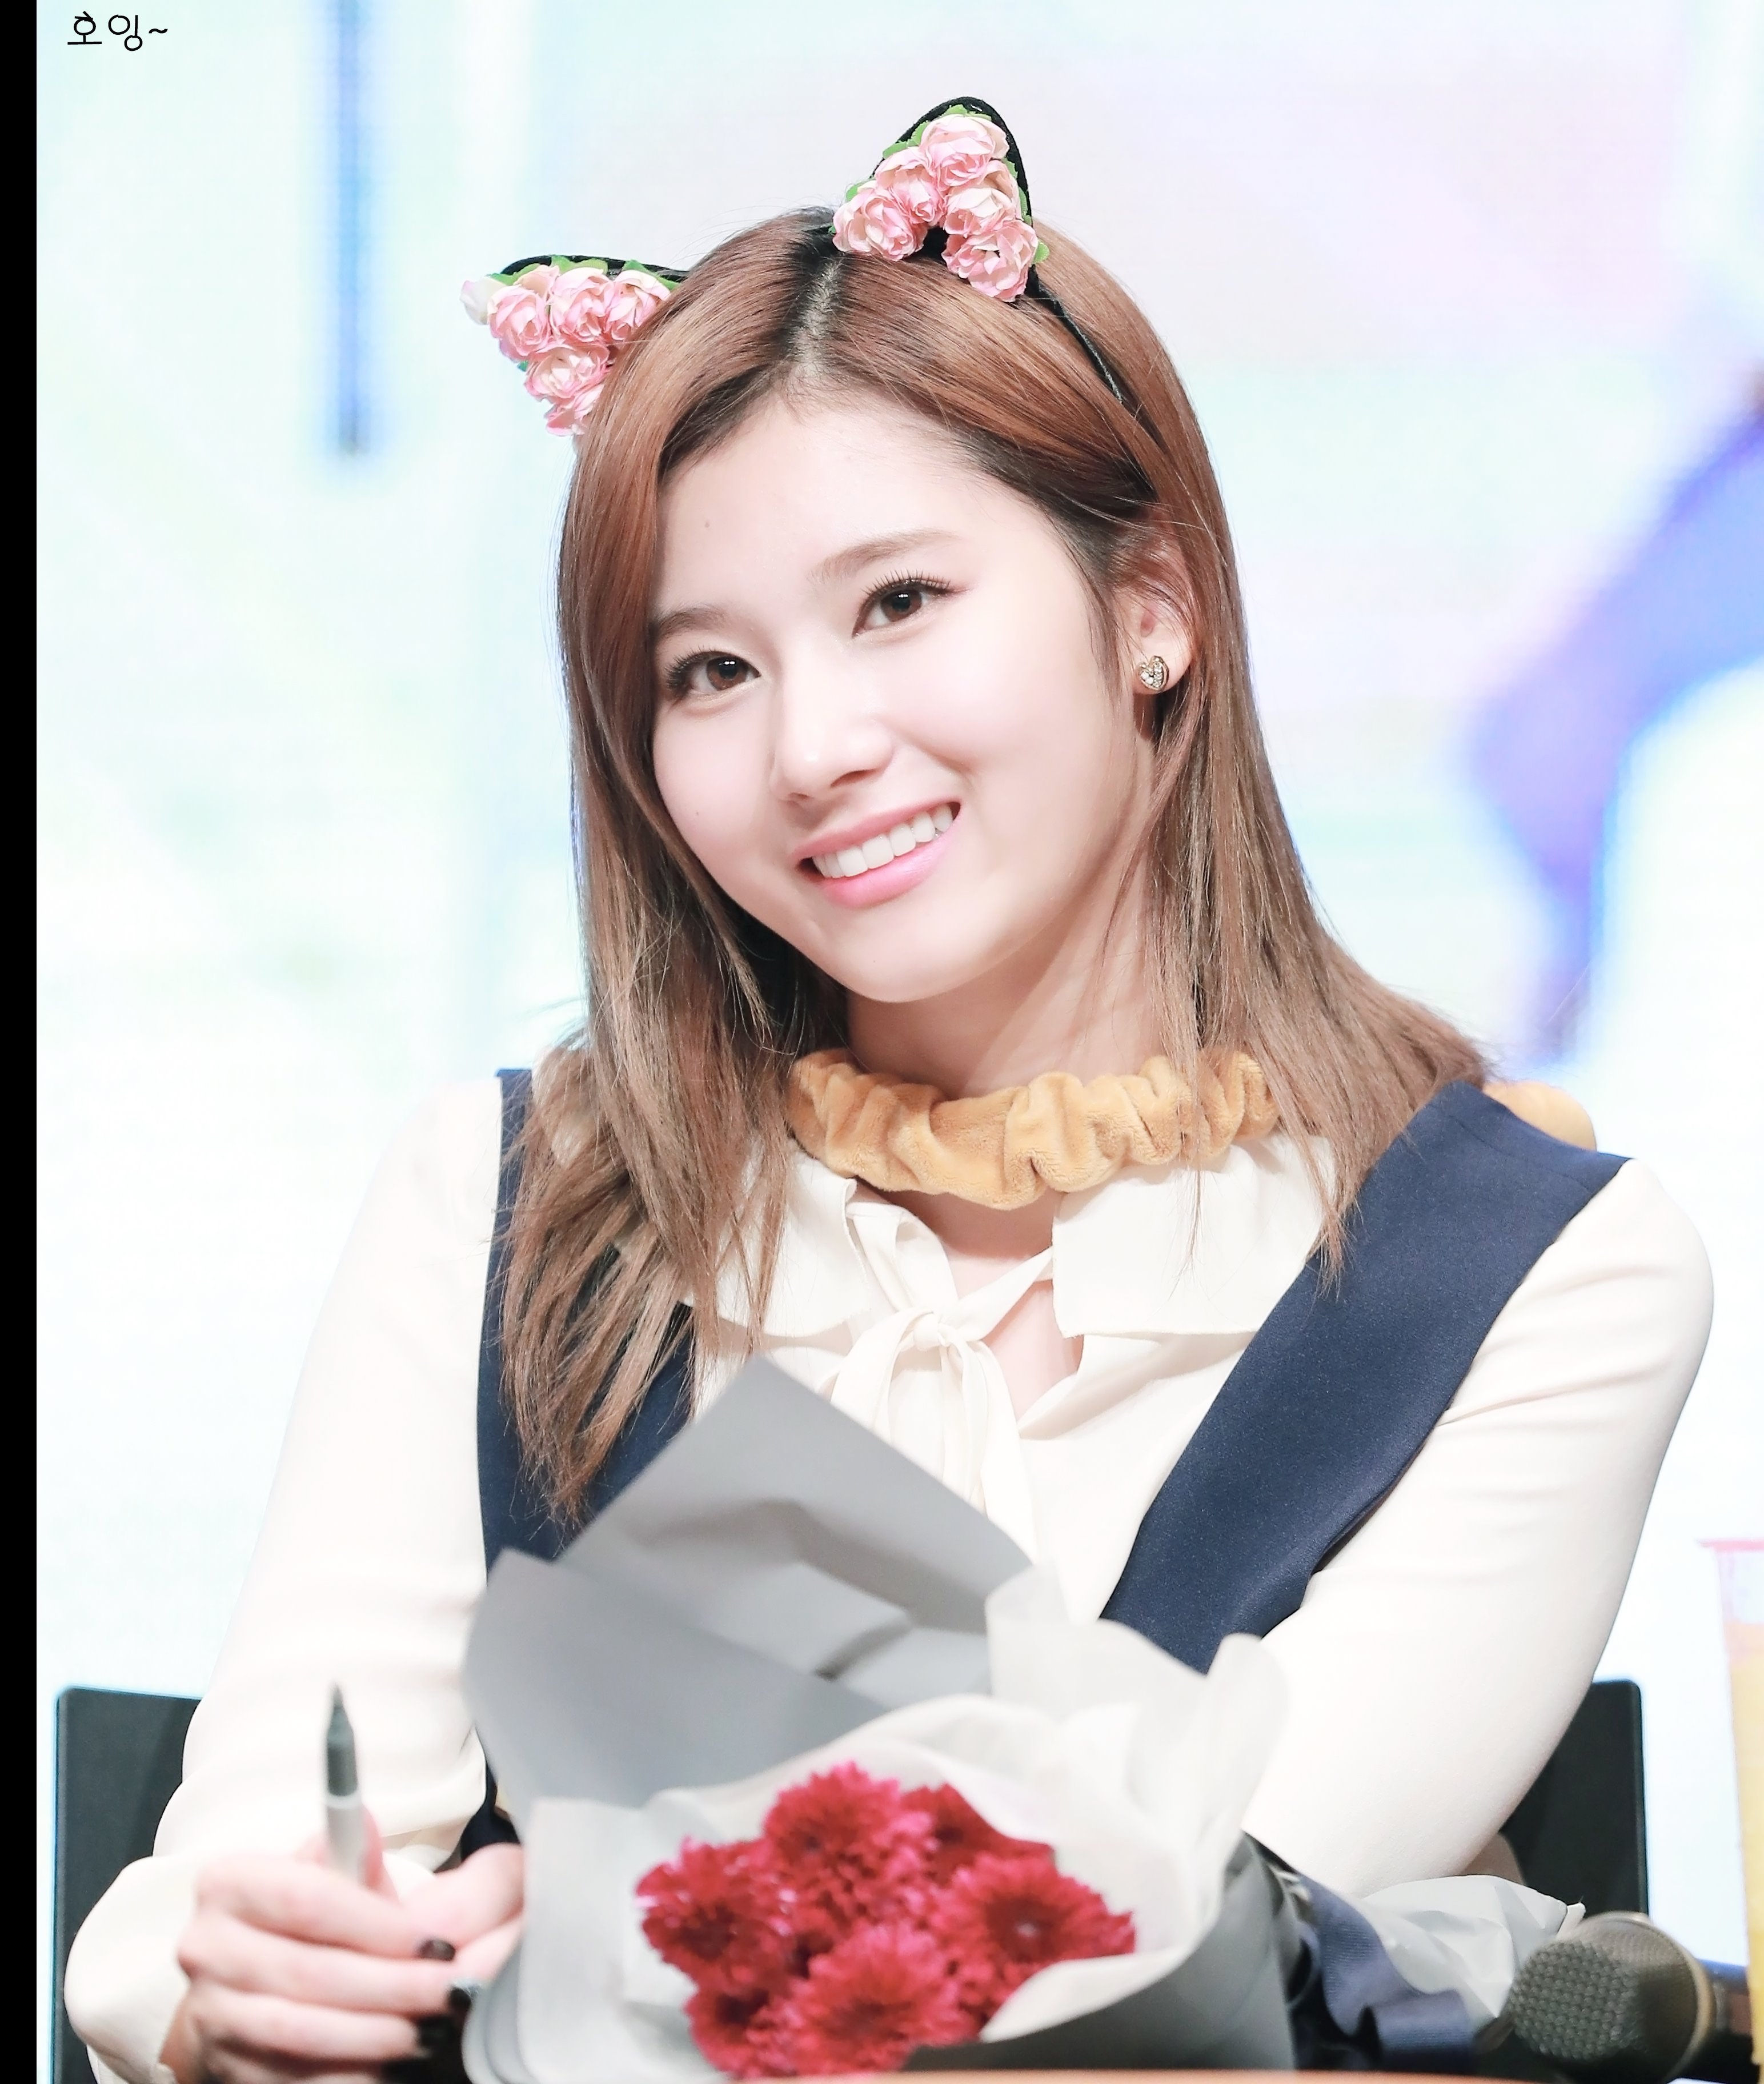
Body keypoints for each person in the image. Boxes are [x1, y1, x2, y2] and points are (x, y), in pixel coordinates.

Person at [66, 103, 1710, 2084]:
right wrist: (244, 1978)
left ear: (1156, 608)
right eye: (707, 672)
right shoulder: (510, 1204)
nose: (813, 747)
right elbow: (226, 1892)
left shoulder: (1534, 1268)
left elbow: (1185, 1933)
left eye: (899, 604)